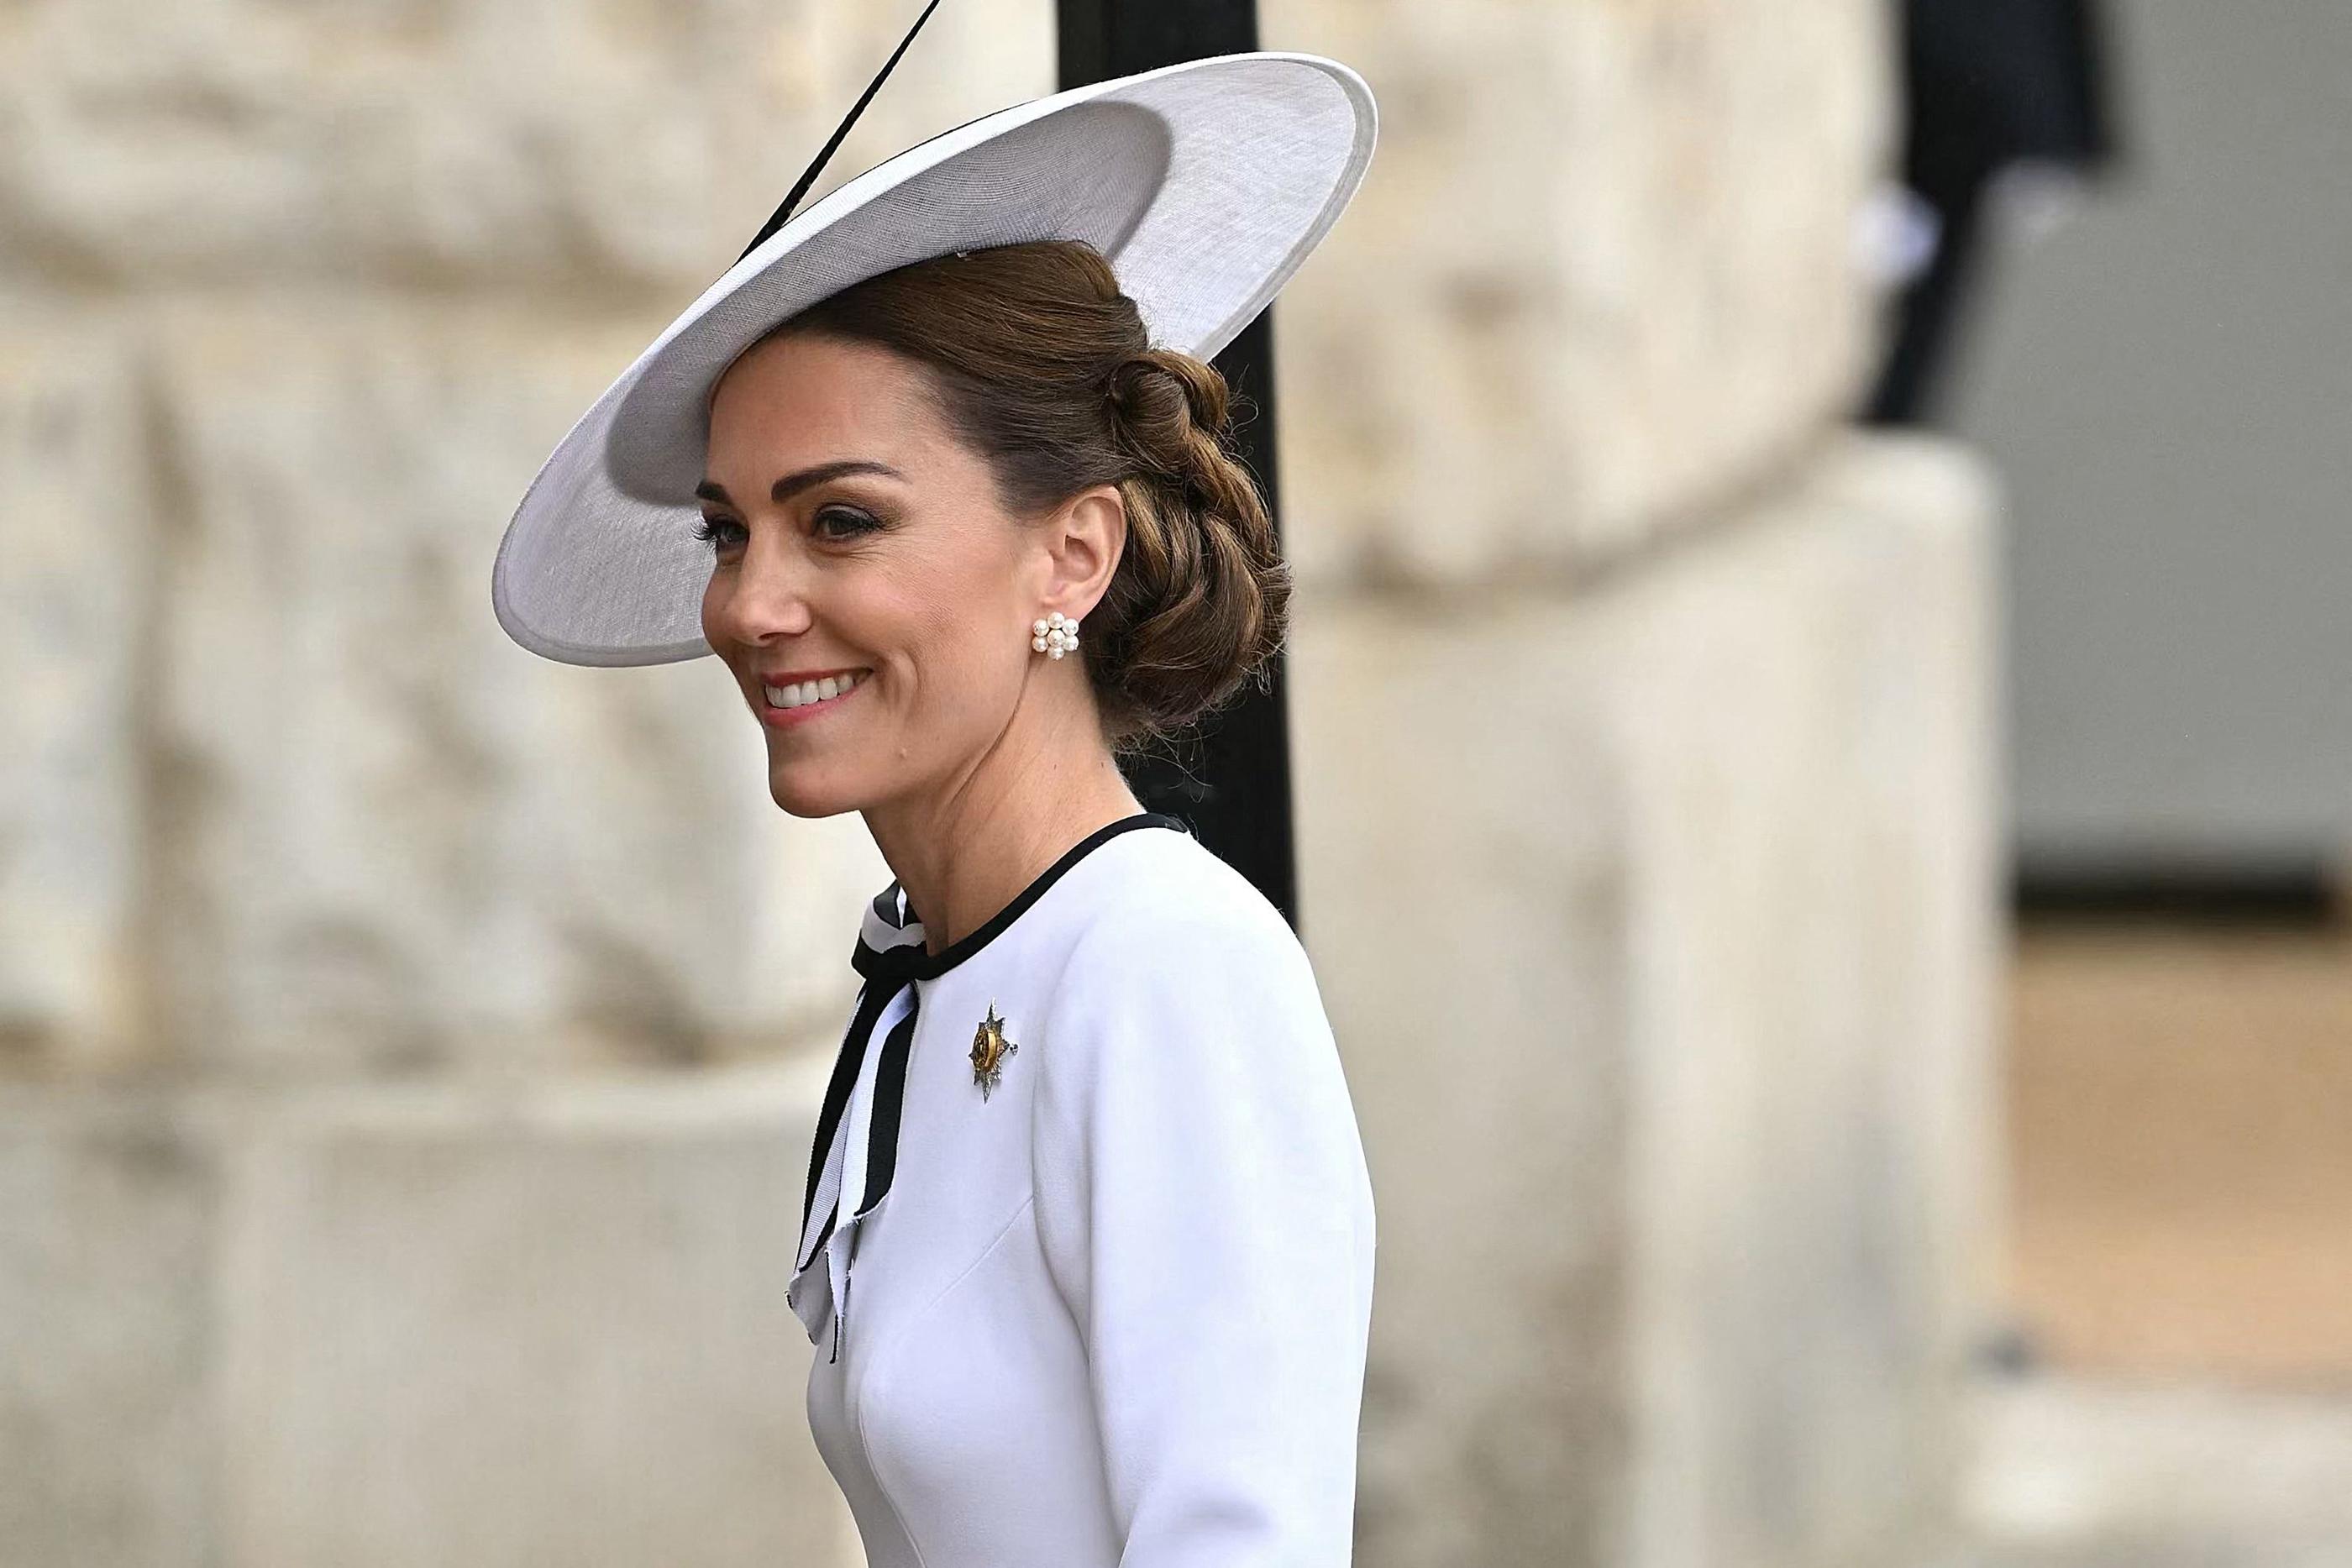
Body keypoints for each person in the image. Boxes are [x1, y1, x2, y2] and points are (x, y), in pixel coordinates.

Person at [489, 50, 1381, 1568]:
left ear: (1072, 556)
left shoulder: (1164, 972)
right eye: (729, 531)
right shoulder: (934, 974)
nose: (753, 603)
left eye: (842, 521)